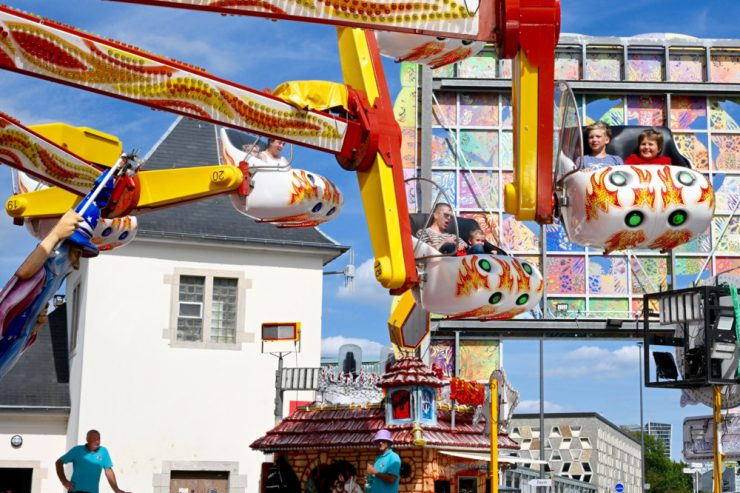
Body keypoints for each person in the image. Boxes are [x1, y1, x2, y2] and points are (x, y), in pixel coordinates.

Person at [0, 209, 90, 380]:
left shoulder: (59, 274)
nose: (78, 260)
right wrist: (55, 235)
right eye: (77, 251)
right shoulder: (54, 265)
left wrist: (33, 322)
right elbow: (23, 277)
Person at [56, 429, 131, 493]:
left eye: (99, 439)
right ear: (87, 440)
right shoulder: (77, 450)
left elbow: (108, 470)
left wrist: (116, 490)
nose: (97, 441)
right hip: (76, 491)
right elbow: (59, 462)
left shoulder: (103, 451)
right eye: (94, 439)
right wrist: (64, 481)